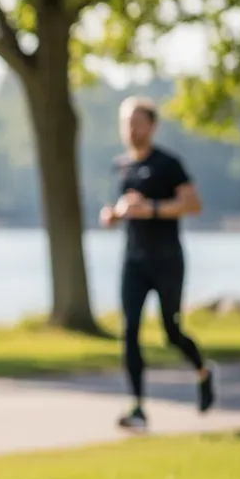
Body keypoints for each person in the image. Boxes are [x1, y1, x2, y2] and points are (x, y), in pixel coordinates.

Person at [99, 96, 214, 431]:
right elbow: (120, 208)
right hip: (134, 262)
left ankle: (203, 372)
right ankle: (138, 408)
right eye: (126, 122)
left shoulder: (168, 164)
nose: (130, 129)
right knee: (130, 331)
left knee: (171, 332)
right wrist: (113, 215)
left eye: (137, 122)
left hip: (167, 261)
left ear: (152, 126)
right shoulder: (121, 165)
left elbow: (193, 204)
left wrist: (149, 208)